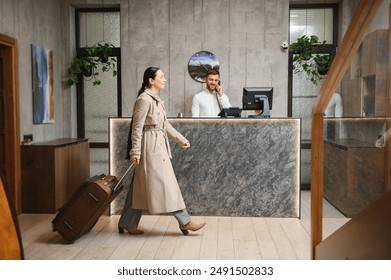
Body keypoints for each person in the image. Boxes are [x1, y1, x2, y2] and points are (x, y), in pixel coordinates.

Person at [118, 67, 206, 236]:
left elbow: (164, 125)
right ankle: (184, 221)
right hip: (149, 147)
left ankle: (126, 222)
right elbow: (136, 128)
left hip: (158, 145)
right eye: (161, 77)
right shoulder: (144, 100)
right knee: (167, 183)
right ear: (151, 80)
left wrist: (180, 139)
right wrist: (135, 152)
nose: (164, 79)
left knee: (138, 186)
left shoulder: (156, 99)